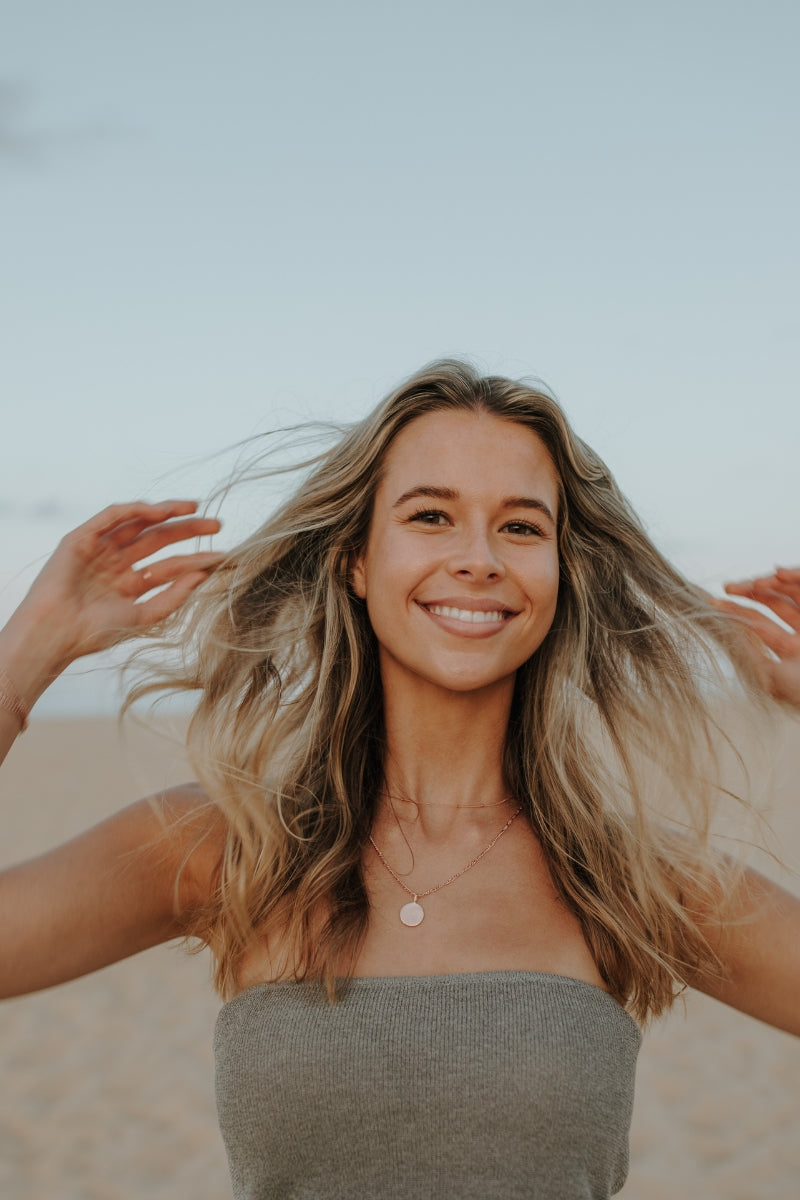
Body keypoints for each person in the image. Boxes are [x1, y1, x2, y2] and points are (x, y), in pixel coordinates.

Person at [0, 359, 798, 1200]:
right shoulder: (227, 847)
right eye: (431, 516)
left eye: (522, 528)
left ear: (559, 579)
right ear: (355, 560)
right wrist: (27, 655)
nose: (479, 559)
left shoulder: (631, 878)